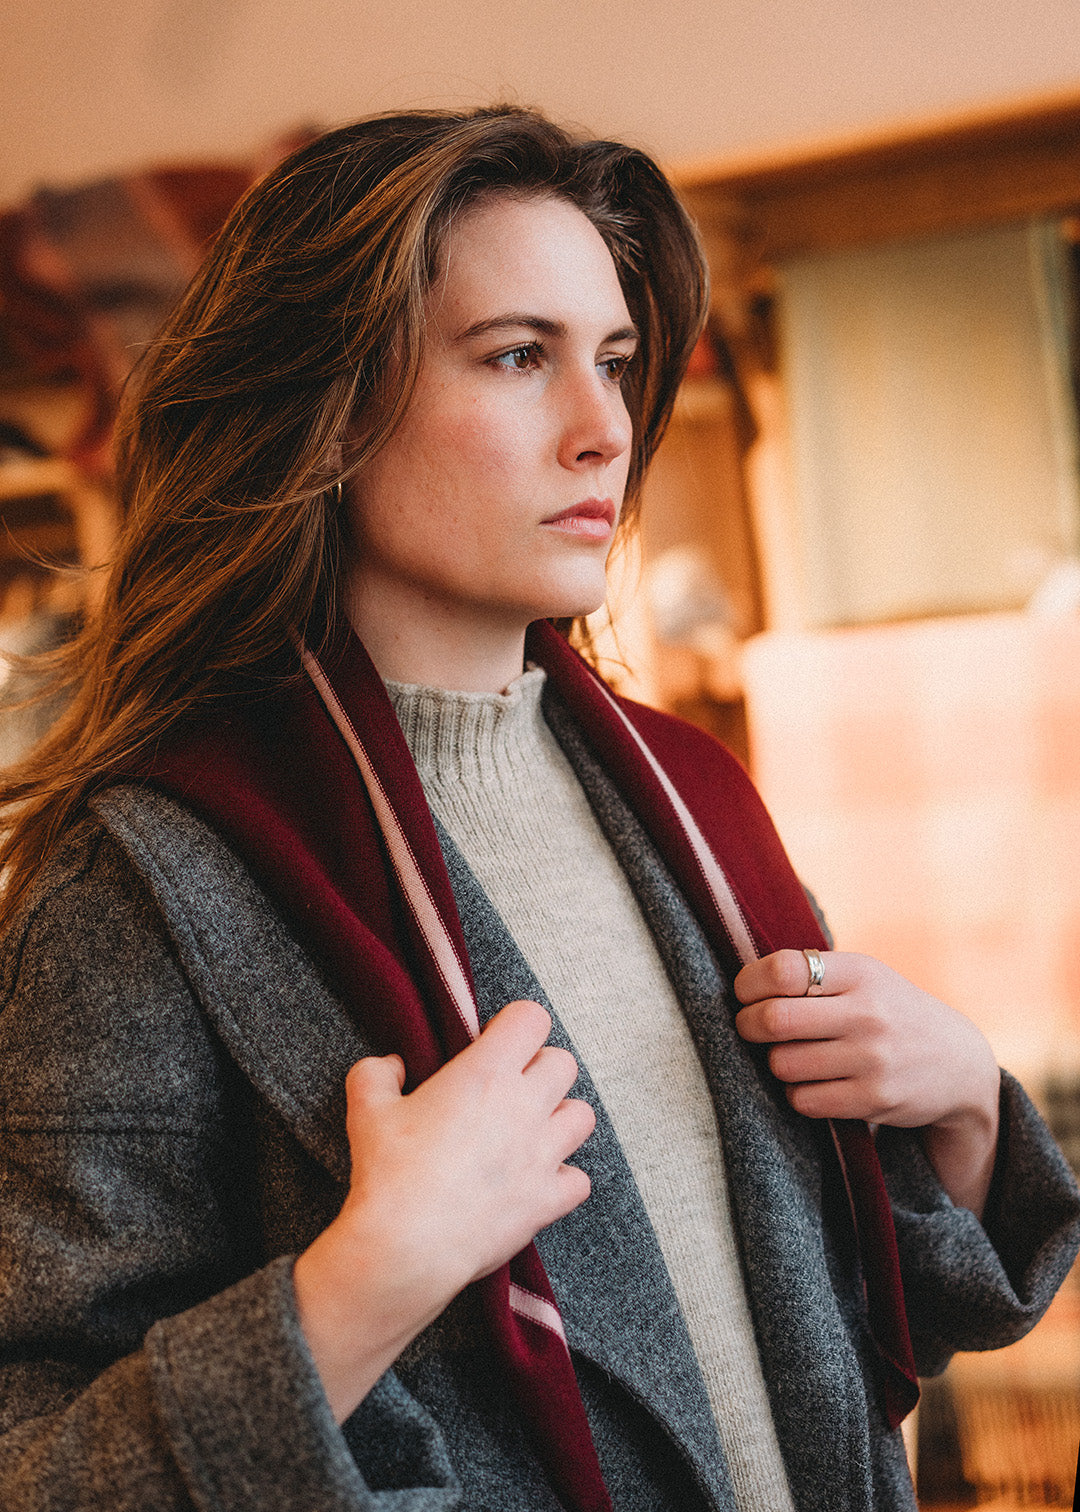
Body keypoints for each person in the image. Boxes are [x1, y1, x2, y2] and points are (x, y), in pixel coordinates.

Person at [0, 106, 1076, 1512]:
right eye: (518, 357)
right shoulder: (146, 884)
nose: (603, 431)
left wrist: (962, 1114)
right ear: (326, 402)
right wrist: (365, 1283)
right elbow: (37, 1466)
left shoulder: (698, 804)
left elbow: (824, 1347)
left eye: (617, 362)